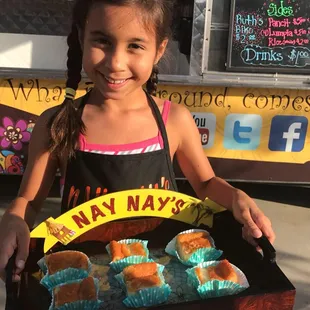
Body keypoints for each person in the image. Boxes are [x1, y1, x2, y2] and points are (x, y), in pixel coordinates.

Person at [0, 0, 275, 282]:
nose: (116, 62)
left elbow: (205, 184)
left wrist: (236, 197)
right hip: (83, 280)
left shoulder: (174, 120)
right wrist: (12, 219)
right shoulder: (54, 124)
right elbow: (29, 201)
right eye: (103, 41)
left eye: (135, 46)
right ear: (82, 37)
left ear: (160, 50)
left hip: (159, 278)